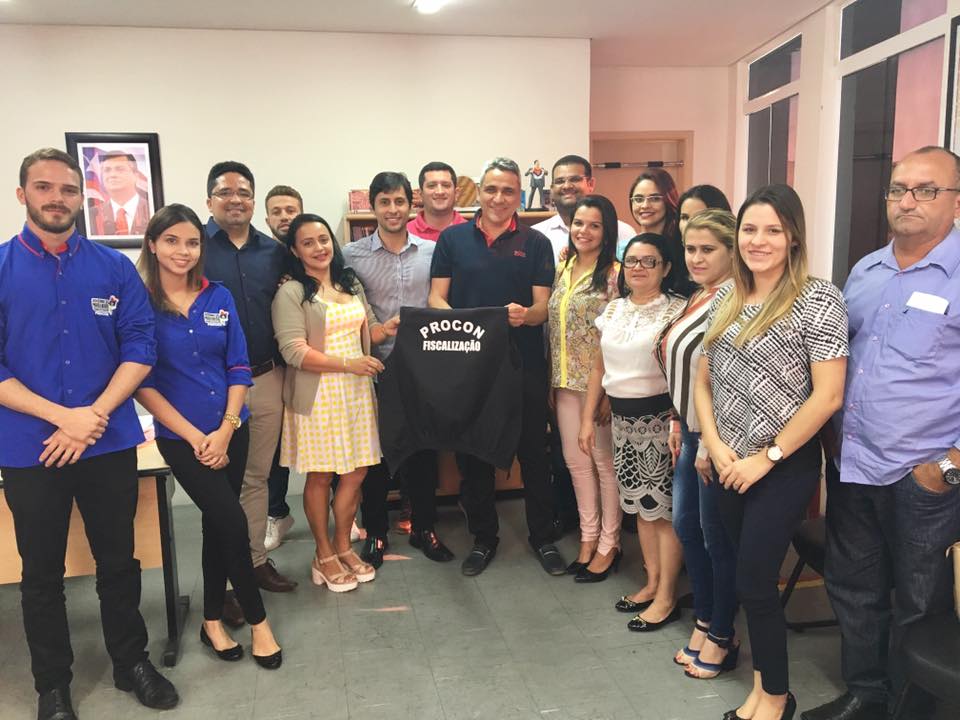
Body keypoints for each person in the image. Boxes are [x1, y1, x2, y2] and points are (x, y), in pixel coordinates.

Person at [0, 148, 178, 720]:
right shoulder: (1, 267)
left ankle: (131, 663)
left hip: (108, 440)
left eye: (68, 189)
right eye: (44, 187)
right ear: (22, 194)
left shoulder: (113, 269)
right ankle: (52, 686)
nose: (57, 198)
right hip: (30, 448)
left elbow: (140, 347)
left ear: (83, 197)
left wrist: (91, 415)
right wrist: (62, 416)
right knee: (41, 574)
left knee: (119, 561)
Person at [803, 146, 960, 720]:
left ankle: (910, 709)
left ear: (956, 201)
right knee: (854, 588)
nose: (907, 201)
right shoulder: (865, 272)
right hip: (853, 463)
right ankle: (866, 695)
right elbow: (838, 362)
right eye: (898, 189)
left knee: (921, 602)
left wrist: (948, 465)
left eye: (926, 190)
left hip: (925, 478)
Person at [695, 184, 847, 720]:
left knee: (757, 580)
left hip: (781, 466)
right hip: (728, 463)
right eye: (750, 229)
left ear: (794, 237)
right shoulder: (727, 297)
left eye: (773, 230)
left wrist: (768, 458)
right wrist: (713, 444)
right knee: (745, 579)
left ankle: (777, 698)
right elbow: (704, 380)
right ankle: (762, 691)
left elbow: (828, 396)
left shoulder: (817, 299)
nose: (758, 241)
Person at [134, 204, 283, 670]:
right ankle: (259, 623)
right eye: (172, 241)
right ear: (153, 244)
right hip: (182, 440)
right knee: (232, 522)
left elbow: (238, 366)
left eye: (192, 242)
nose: (183, 251)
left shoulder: (218, 297)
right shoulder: (140, 304)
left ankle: (212, 621)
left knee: (216, 524)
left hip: (230, 430)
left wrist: (226, 428)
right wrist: (199, 438)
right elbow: (142, 382)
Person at [428, 156, 567, 577]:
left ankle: (542, 537)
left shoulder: (536, 243)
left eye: (508, 190)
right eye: (491, 189)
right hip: (470, 367)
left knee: (533, 453)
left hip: (523, 364)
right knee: (474, 455)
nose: (499, 198)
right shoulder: (452, 240)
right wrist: (464, 323)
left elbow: (543, 308)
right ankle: (484, 538)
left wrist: (526, 315)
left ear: (519, 195)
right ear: (479, 192)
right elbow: (436, 298)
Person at [343, 171, 454, 567]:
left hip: (422, 366)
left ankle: (424, 527)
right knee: (375, 454)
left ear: (412, 205)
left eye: (399, 201)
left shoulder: (432, 251)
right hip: (374, 366)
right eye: (385, 202)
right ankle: (376, 532)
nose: (393, 209)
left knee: (423, 450)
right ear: (373, 207)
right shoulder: (350, 255)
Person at [203, 161, 298, 615]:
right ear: (210, 201)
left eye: (243, 192)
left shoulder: (274, 252)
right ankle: (224, 579)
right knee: (220, 487)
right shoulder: (194, 247)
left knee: (256, 478)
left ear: (253, 200)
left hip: (265, 377)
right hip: (212, 388)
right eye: (225, 192)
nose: (235, 199)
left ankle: (255, 562)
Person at [581, 233, 687, 631]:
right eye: (631, 261)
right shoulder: (614, 310)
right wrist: (587, 418)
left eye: (649, 261)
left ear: (666, 267)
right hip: (623, 424)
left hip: (661, 422)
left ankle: (667, 596)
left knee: (664, 511)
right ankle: (652, 582)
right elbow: (598, 366)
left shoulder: (677, 310)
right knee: (642, 508)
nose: (638, 268)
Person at [273, 213, 383, 592]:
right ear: (294, 250)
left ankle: (343, 547)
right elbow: (294, 351)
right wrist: (349, 364)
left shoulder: (349, 282)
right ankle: (323, 554)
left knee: (356, 472)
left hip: (357, 393)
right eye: (308, 242)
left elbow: (368, 327)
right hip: (318, 395)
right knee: (321, 476)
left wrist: (394, 326)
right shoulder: (291, 292)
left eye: (323, 239)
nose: (319, 248)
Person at [655, 209, 739, 678]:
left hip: (715, 439)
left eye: (708, 249)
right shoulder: (698, 295)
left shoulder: (734, 298)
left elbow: (726, 379)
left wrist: (708, 441)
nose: (696, 257)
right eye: (690, 248)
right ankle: (705, 618)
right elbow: (683, 368)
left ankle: (723, 632)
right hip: (688, 431)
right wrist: (676, 419)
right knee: (688, 529)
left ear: (732, 251)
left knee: (715, 538)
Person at [546, 195, 620, 581]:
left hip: (599, 387)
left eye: (594, 225)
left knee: (604, 465)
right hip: (563, 383)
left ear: (607, 231)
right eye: (578, 223)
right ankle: (588, 538)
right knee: (576, 464)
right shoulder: (563, 267)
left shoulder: (615, 275)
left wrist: (609, 394)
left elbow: (620, 336)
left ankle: (610, 542)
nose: (584, 231)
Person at [261, 184, 305, 552]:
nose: (284, 216)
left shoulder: (315, 251)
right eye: (276, 211)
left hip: (314, 363)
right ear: (267, 219)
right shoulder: (261, 256)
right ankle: (276, 513)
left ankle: (343, 512)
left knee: (326, 436)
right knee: (275, 446)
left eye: (290, 210)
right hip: (273, 364)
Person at [532, 155, 636, 261]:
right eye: (559, 181)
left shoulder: (622, 232)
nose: (567, 186)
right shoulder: (536, 235)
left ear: (590, 184)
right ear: (551, 189)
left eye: (575, 179)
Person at [627, 169, 692, 296]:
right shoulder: (629, 247)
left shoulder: (682, 248)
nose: (645, 205)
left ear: (668, 200)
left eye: (655, 199)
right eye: (638, 199)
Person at [87, 151, 151, 236]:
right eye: (107, 170)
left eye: (120, 169)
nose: (112, 175)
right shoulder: (92, 215)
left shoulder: (151, 210)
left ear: (136, 175)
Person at [407, 161, 467, 241]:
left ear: (456, 193)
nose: (439, 192)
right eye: (431, 186)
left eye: (446, 185)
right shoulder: (405, 234)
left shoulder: (472, 233)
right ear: (421, 194)